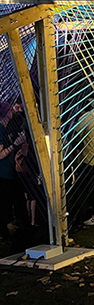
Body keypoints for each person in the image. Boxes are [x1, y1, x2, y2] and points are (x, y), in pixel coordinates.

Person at [0, 101, 26, 242]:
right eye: (13, 108)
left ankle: (13, 231)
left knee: (11, 202)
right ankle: (6, 233)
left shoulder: (8, 127)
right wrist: (15, 144)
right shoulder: (0, 129)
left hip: (10, 172)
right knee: (5, 205)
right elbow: (0, 154)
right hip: (3, 174)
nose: (16, 111)